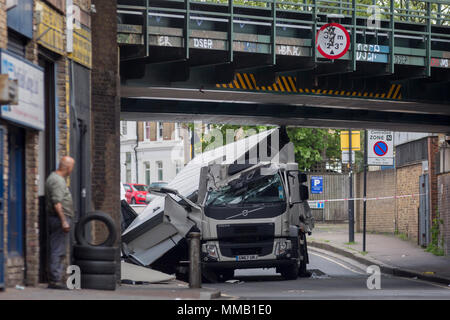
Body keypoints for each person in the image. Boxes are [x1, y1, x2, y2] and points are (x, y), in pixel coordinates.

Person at [45, 156, 75, 289]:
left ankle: (56, 278)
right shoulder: (57, 181)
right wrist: (64, 221)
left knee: (59, 249)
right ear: (67, 167)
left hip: (58, 218)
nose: (72, 170)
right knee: (57, 249)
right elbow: (57, 203)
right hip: (58, 219)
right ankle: (55, 280)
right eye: (72, 167)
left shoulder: (58, 179)